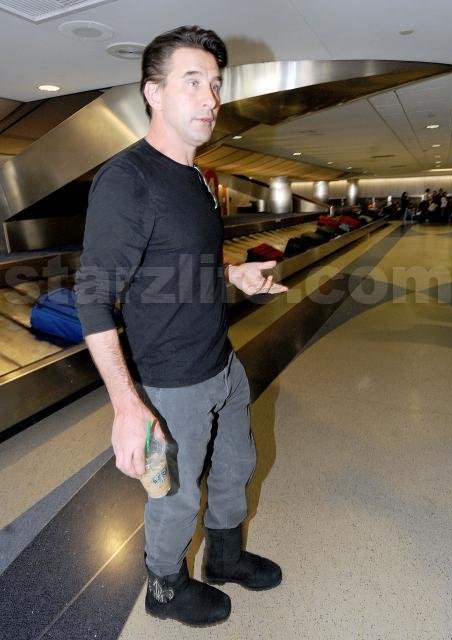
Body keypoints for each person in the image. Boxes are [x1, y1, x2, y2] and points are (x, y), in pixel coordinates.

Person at [74, 25, 286, 628]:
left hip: (221, 362)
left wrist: (235, 273)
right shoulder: (129, 180)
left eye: (215, 84)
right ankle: (164, 589)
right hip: (172, 384)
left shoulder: (195, 176)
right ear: (153, 92)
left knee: (237, 466)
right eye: (192, 82)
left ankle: (224, 557)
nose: (210, 98)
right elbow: (93, 295)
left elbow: (186, 256)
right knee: (175, 495)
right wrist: (127, 405)